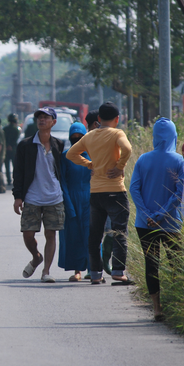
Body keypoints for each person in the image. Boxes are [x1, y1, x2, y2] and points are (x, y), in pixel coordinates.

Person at [66, 102, 133, 285]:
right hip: (115, 191)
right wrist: (119, 167)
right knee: (119, 232)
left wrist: (89, 164)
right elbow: (127, 149)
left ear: (98, 119)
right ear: (117, 119)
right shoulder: (117, 133)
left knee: (95, 235)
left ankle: (95, 274)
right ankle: (118, 271)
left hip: (95, 192)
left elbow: (71, 154)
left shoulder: (89, 137)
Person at [129, 118, 184, 321]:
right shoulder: (178, 160)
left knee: (151, 264)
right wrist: (162, 214)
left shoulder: (143, 159)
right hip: (171, 223)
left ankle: (157, 308)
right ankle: (180, 305)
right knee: (177, 263)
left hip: (145, 224)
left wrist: (147, 215)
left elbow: (134, 188)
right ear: (173, 136)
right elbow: (180, 192)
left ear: (154, 137)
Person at [13, 107, 65, 283]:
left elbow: (60, 171)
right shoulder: (25, 145)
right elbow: (18, 172)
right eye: (39, 117)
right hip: (32, 197)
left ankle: (46, 271)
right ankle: (36, 257)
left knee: (51, 234)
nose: (42, 120)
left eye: (46, 117)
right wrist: (17, 197)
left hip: (54, 197)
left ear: (53, 122)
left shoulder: (59, 144)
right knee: (28, 234)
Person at [58, 122, 91, 281]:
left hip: (90, 198)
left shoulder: (94, 155)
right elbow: (62, 182)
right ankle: (77, 270)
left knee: (91, 234)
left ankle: (93, 269)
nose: (77, 140)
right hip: (70, 197)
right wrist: (68, 205)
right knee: (74, 236)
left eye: (81, 137)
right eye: (74, 138)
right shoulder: (65, 157)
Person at [84, 109, 113, 277]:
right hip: (95, 193)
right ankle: (94, 268)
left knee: (108, 231)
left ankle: (104, 263)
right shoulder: (88, 143)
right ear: (97, 124)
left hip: (108, 190)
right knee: (96, 232)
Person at [3, 113, 21, 186]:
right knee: (15, 166)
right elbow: (16, 139)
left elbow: (3, 139)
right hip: (14, 149)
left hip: (6, 149)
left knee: (7, 166)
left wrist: (7, 145)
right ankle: (15, 179)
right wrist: (11, 145)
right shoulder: (16, 129)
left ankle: (8, 180)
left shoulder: (4, 129)